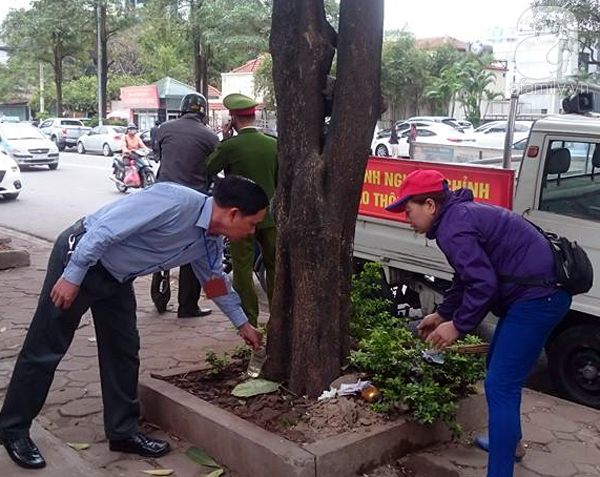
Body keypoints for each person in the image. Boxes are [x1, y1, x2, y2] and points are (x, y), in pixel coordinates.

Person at [0, 175, 265, 470]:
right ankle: (13, 429)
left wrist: (242, 324)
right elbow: (104, 230)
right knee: (46, 345)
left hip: (117, 277)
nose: (251, 232)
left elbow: (215, 282)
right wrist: (72, 275)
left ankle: (122, 432)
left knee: (123, 351)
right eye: (252, 223)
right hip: (81, 258)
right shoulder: (174, 201)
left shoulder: (210, 241)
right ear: (233, 213)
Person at [385, 169, 571, 477]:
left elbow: (484, 284)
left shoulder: (453, 227)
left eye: (409, 211)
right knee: (499, 373)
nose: (408, 219)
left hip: (539, 299)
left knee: (500, 384)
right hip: (536, 295)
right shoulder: (456, 217)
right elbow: (467, 276)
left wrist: (457, 326)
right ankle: (509, 444)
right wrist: (442, 313)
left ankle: (500, 470)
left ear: (430, 205)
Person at [206, 93, 277, 327]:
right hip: (269, 218)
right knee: (275, 266)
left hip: (239, 219)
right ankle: (278, 318)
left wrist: (224, 141)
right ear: (255, 116)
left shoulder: (231, 146)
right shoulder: (272, 144)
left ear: (233, 119)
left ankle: (249, 319)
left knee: (242, 269)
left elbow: (208, 168)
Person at [154, 92, 220, 318]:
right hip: (193, 204)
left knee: (161, 245)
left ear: (182, 109)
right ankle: (188, 306)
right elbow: (214, 167)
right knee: (194, 253)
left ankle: (159, 288)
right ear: (203, 113)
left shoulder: (163, 129)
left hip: (161, 199)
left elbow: (159, 156)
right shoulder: (210, 136)